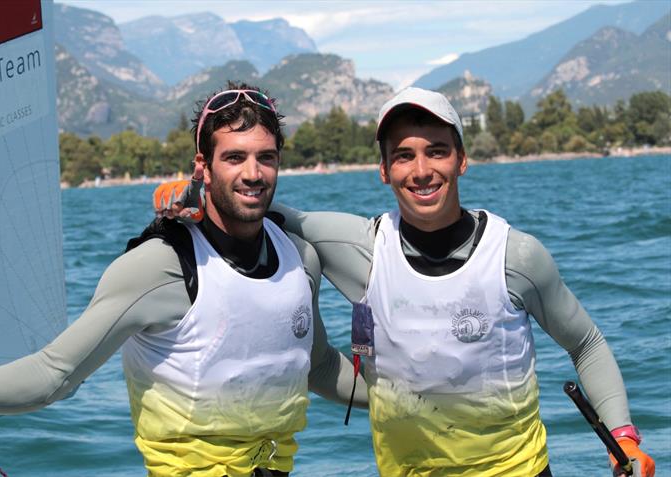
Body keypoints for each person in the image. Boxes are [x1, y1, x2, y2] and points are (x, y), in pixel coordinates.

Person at [153, 87, 656, 477]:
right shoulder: (361, 250)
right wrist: (191, 192)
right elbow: (260, 208)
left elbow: (585, 343)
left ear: (461, 159)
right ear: (384, 170)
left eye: (437, 151)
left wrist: (624, 435)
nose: (421, 170)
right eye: (403, 155)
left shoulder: (515, 255)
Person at [0, 82, 365, 477]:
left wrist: (425, 397)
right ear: (203, 165)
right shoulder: (159, 266)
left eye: (266, 158)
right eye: (234, 158)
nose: (253, 173)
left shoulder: (298, 257)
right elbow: (57, 373)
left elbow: (318, 367)